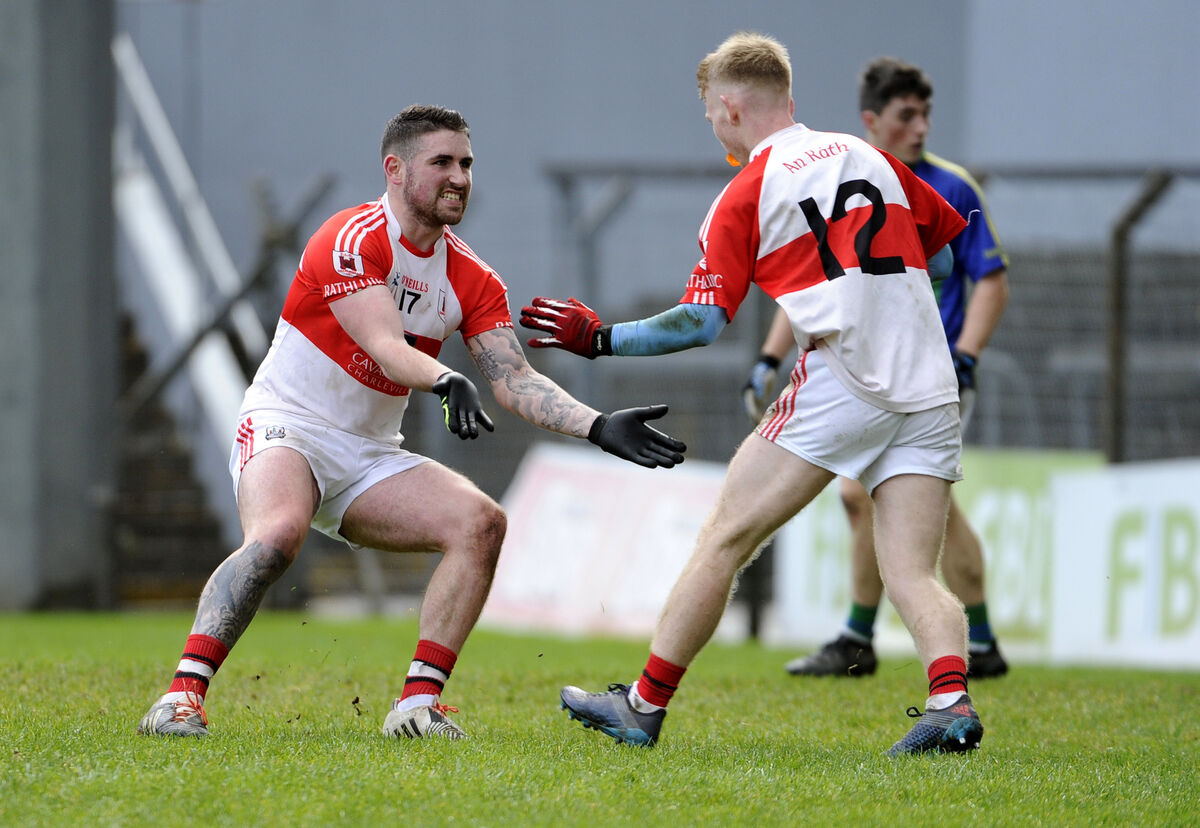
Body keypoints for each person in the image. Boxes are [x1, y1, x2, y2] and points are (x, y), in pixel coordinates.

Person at [136, 104, 686, 741]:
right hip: (289, 426)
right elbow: (384, 346)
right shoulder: (350, 237)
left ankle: (417, 709)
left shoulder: (473, 277)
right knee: (278, 535)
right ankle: (179, 699)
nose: (460, 177)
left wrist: (597, 425)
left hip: (370, 454)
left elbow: (514, 379)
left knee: (481, 524)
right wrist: (444, 378)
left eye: (467, 164)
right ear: (394, 170)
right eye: (442, 162)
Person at [521, 32, 983, 755]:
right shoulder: (868, 157)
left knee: (725, 538)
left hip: (845, 379)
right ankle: (950, 702)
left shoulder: (747, 191)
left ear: (730, 108)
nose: (713, 127)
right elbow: (947, 261)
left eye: (711, 114)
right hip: (929, 383)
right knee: (911, 571)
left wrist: (599, 338)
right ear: (788, 98)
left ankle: (642, 706)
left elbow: (699, 322)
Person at [743, 57, 1010, 681]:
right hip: (867, 372)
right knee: (906, 503)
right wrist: (769, 357)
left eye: (926, 115)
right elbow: (815, 282)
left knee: (870, 494)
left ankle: (861, 638)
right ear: (871, 119)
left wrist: (967, 356)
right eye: (906, 115)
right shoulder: (848, 175)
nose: (921, 127)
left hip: (928, 374)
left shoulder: (953, 187)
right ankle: (970, 641)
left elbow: (991, 281)